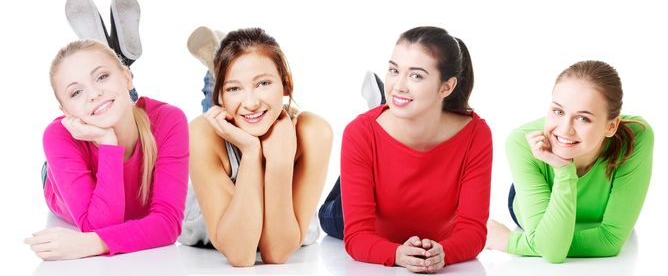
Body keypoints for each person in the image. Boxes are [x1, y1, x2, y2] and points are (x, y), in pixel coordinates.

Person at [340, 26, 493, 273]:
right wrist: (396, 254)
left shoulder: (476, 134)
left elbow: (473, 232)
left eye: (416, 76)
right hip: (370, 215)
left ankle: (386, 104)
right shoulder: (358, 133)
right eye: (393, 70)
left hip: (421, 223)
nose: (399, 85)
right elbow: (357, 237)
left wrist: (444, 253)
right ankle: (379, 105)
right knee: (333, 214)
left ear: (447, 87)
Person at [24, 40, 189, 260]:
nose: (93, 94)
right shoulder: (58, 136)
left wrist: (91, 244)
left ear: (128, 78)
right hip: (59, 179)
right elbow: (99, 225)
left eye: (102, 77)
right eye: (76, 93)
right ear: (65, 112)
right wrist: (108, 143)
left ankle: (107, 56)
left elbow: (168, 224)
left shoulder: (169, 120)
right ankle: (106, 58)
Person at [181, 27, 332, 266]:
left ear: (286, 84)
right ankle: (219, 74)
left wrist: (279, 162)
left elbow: (277, 253)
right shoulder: (199, 133)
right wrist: (251, 153)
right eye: (233, 88)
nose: (251, 103)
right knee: (215, 117)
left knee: (239, 102)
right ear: (222, 97)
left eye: (263, 83)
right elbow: (241, 255)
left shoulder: (314, 132)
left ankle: (222, 67)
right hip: (207, 218)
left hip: (287, 224)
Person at [486, 60, 653, 263]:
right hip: (539, 195)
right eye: (558, 111)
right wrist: (563, 168)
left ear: (611, 126)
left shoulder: (637, 136)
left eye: (583, 118)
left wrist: (512, 242)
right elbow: (553, 253)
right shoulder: (522, 142)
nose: (565, 129)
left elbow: (609, 240)